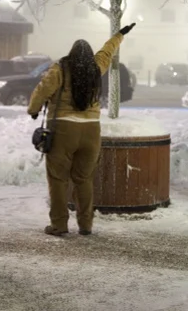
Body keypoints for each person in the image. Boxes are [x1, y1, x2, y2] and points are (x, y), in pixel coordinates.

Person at [27, 22, 137, 237]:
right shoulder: (96, 67)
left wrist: (33, 109)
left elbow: (42, 90)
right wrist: (120, 34)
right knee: (84, 179)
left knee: (58, 179)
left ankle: (59, 225)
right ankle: (86, 224)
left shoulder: (60, 68)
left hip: (63, 130)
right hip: (91, 132)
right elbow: (107, 50)